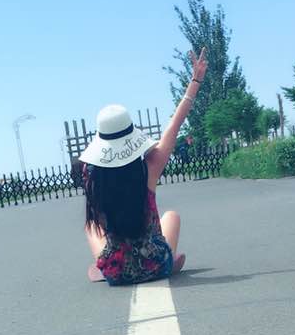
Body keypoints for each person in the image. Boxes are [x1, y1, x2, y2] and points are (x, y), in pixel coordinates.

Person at [83, 47, 208, 285]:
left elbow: (97, 220)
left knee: (92, 228)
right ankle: (168, 260)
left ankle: (103, 265)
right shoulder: (148, 168)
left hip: (117, 272)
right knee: (171, 216)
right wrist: (195, 81)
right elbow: (174, 125)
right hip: (155, 264)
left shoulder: (94, 178)